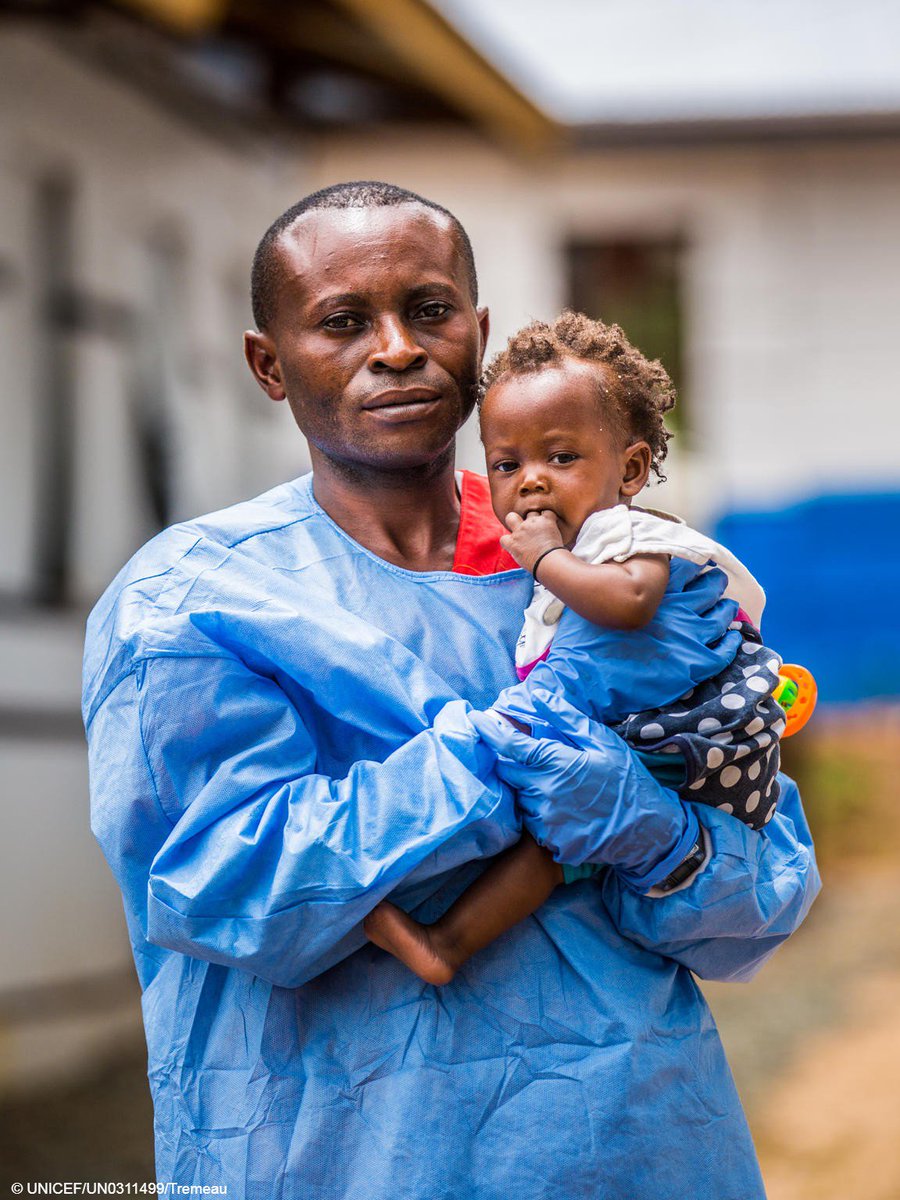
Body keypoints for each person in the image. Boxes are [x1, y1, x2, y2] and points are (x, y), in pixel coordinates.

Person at [83, 181, 820, 1200]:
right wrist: (489, 759)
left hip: (642, 1147)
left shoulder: (628, 572)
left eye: (429, 312)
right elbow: (227, 889)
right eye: (342, 321)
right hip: (337, 1162)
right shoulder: (194, 602)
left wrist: (652, 830)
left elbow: (762, 900)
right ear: (268, 364)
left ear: (476, 337)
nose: (395, 348)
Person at [365, 311, 791, 988]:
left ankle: (432, 923)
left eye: (561, 458)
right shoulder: (569, 553)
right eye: (507, 464)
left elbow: (628, 603)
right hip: (637, 766)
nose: (530, 481)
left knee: (549, 827)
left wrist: (545, 561)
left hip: (684, 750)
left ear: (630, 469)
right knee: (551, 852)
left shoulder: (633, 533)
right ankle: (444, 945)